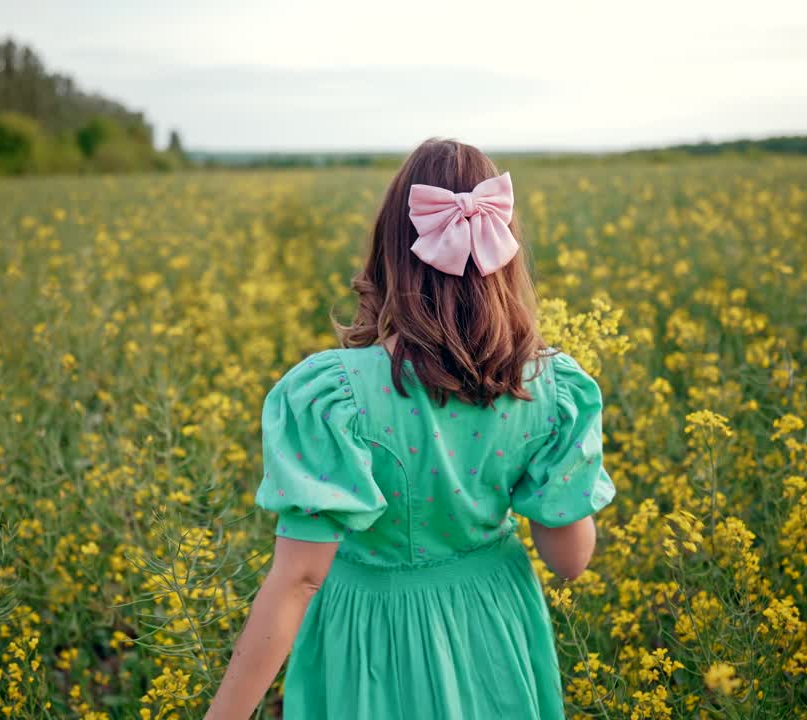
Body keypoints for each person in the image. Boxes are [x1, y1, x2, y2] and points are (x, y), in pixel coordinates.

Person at [204, 137, 617, 720]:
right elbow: (569, 559)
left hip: (371, 635)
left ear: (390, 253)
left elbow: (297, 580)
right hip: (493, 628)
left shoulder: (336, 395)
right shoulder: (549, 389)